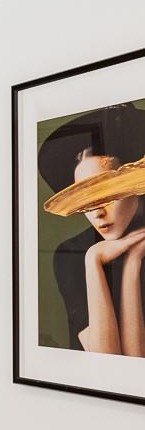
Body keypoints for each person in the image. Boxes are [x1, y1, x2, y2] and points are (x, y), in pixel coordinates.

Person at [41, 103, 145, 355]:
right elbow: (104, 361)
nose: (97, 212)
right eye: (87, 201)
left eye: (106, 196)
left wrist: (132, 262)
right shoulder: (73, 253)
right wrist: (93, 260)